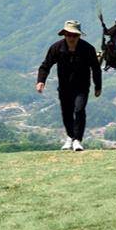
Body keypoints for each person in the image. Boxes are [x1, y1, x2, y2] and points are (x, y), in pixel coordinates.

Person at [36, 20, 102, 152]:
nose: (71, 38)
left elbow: (96, 69)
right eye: (68, 35)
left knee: (79, 110)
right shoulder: (56, 48)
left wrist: (98, 86)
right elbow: (46, 65)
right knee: (66, 112)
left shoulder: (87, 49)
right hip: (64, 87)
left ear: (79, 36)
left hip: (82, 86)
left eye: (74, 35)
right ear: (64, 34)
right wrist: (41, 81)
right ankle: (70, 136)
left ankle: (77, 140)